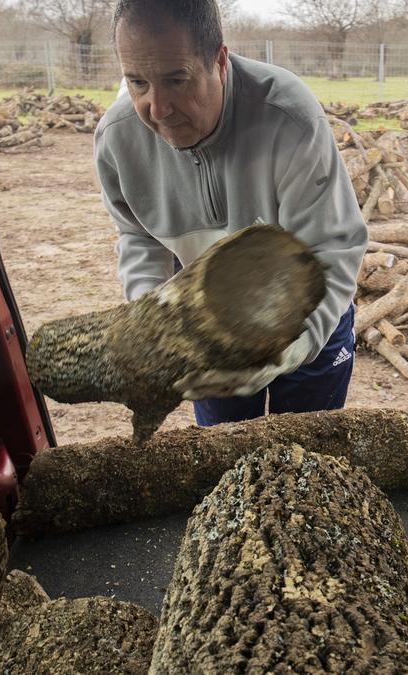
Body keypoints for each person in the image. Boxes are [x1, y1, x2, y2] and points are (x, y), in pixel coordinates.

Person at [96, 0, 368, 426]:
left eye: (176, 80)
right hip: (207, 321)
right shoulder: (117, 140)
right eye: (138, 82)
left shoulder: (288, 117)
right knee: (222, 454)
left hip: (310, 310)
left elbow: (331, 248)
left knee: (302, 453)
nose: (158, 108)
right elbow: (139, 235)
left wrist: (290, 347)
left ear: (219, 61)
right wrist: (151, 324)